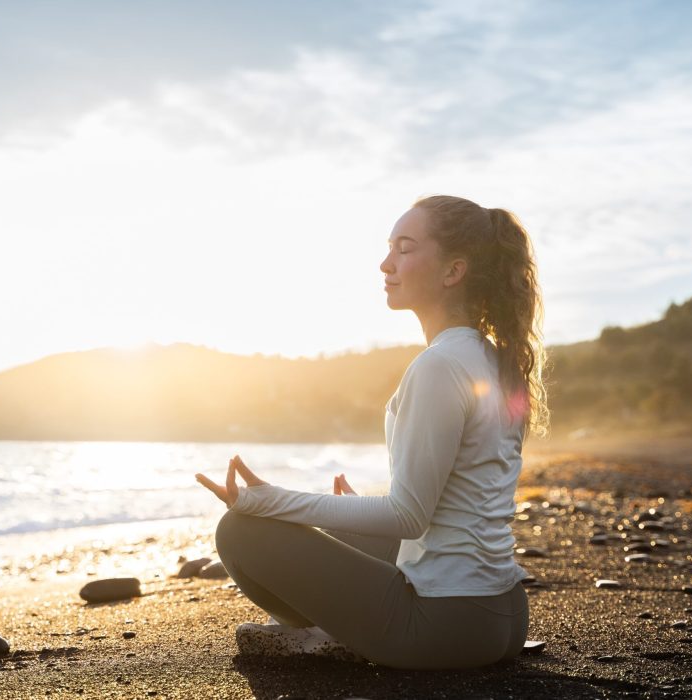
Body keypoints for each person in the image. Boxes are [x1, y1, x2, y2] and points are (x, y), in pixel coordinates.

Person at [195, 194, 548, 670]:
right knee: (343, 532)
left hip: (445, 626)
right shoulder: (491, 358)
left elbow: (408, 518)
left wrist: (270, 499)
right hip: (503, 615)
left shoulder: (440, 366)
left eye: (405, 248)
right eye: (389, 247)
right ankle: (343, 628)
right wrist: (346, 511)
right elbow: (455, 498)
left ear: (453, 272)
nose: (386, 264)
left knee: (240, 530)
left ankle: (330, 636)